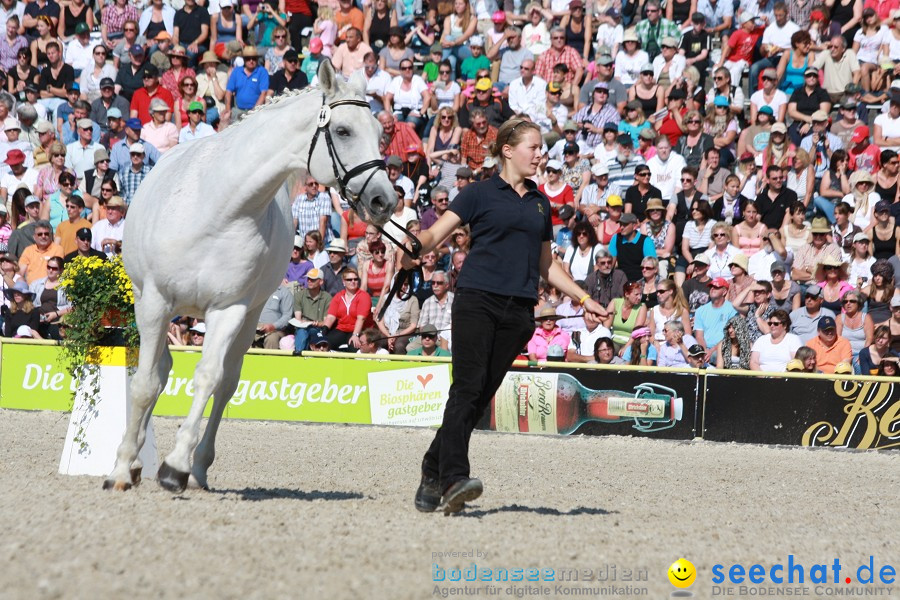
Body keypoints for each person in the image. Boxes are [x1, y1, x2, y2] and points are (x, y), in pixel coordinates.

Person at [406, 117, 606, 515]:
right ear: (508, 150)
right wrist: (414, 240)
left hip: (518, 311)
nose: (540, 155)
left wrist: (584, 298)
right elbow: (432, 237)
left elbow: (547, 265)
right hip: (477, 300)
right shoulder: (478, 194)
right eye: (533, 147)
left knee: (478, 398)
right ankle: (453, 479)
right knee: (466, 388)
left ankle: (432, 467)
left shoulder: (539, 201)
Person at [693, 277, 738, 359]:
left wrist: (712, 350)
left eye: (716, 287)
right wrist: (704, 350)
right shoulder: (700, 311)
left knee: (715, 356)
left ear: (724, 292)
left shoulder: (732, 309)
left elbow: (730, 336)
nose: (712, 289)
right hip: (705, 349)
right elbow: (699, 336)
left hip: (724, 347)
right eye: (711, 287)